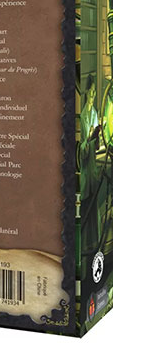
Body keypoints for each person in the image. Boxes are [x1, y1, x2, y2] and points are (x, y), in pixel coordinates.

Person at [79, 74, 101, 277]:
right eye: (91, 92)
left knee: (93, 211)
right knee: (86, 212)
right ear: (86, 93)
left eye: (95, 92)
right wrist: (89, 138)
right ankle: (84, 262)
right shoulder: (83, 116)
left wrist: (97, 137)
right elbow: (83, 151)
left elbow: (95, 146)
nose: (93, 96)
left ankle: (94, 252)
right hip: (86, 170)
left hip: (93, 170)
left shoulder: (94, 113)